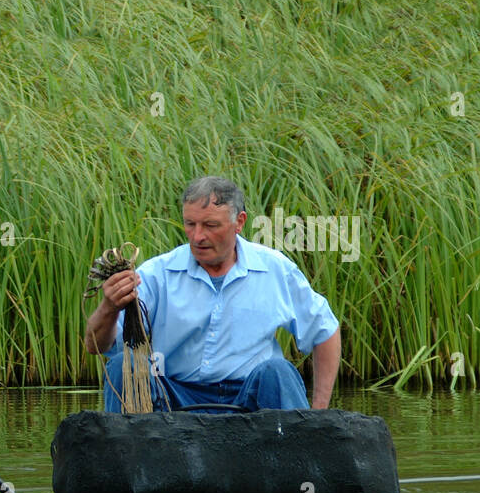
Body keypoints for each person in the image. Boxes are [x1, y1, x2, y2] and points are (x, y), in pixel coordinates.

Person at [84, 176, 341, 412]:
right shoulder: (157, 273)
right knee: (123, 366)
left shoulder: (274, 269)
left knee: (278, 371)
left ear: (239, 222)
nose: (197, 236)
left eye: (210, 225)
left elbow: (324, 329)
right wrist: (109, 307)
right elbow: (96, 345)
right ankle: (125, 458)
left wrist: (319, 411)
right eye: (190, 224)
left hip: (249, 397)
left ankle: (299, 446)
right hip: (173, 395)